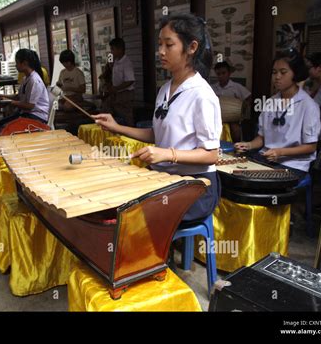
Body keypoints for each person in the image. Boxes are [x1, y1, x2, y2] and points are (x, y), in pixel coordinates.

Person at [95, 14, 222, 225]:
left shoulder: (202, 95)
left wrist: (167, 154)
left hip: (194, 187)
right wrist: (117, 128)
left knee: (130, 215)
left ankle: (150, 256)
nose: (160, 51)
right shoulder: (165, 89)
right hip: (165, 179)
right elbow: (157, 134)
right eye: (160, 44)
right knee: (111, 196)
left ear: (191, 47)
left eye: (168, 45)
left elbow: (211, 154)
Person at [234, 49, 321, 174]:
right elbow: (261, 138)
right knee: (236, 175)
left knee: (258, 184)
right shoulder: (270, 102)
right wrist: (248, 145)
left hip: (293, 165)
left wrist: (280, 152)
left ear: (295, 74)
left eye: (283, 72)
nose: (277, 77)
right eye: (274, 72)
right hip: (266, 159)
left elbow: (311, 147)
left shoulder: (308, 105)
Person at [0, 49, 49, 131]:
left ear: (24, 63)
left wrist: (9, 102)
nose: (15, 65)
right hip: (28, 113)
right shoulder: (26, 78)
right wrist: (1, 95)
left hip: (37, 116)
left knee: (3, 128)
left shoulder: (34, 81)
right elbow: (17, 97)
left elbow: (30, 106)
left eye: (17, 62)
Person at [211, 61, 251, 141]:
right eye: (218, 74)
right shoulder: (213, 88)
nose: (221, 76)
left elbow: (249, 97)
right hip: (217, 117)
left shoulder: (236, 87)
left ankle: (236, 148)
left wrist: (242, 107)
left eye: (223, 73)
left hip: (233, 117)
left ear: (229, 73)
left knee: (235, 128)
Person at [101, 38, 135, 126]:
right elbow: (109, 67)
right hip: (115, 92)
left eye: (113, 49)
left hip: (125, 93)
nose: (111, 51)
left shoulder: (126, 63)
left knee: (125, 114)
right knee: (106, 107)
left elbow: (130, 80)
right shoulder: (114, 59)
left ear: (120, 49)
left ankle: (130, 132)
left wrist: (115, 89)